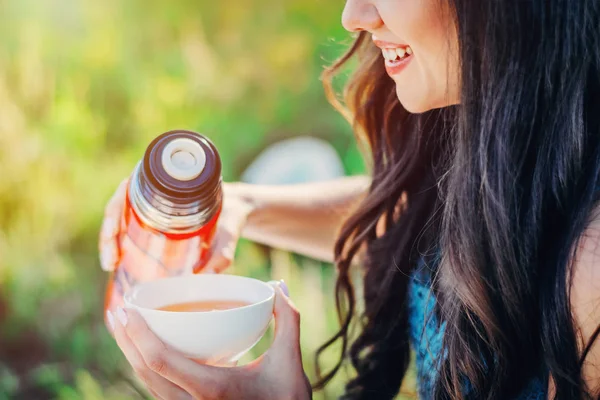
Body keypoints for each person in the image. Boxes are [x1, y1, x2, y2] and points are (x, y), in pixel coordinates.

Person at [99, 0, 600, 399]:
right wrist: (243, 205)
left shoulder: (591, 268)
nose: (354, 15)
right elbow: (419, 219)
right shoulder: (512, 135)